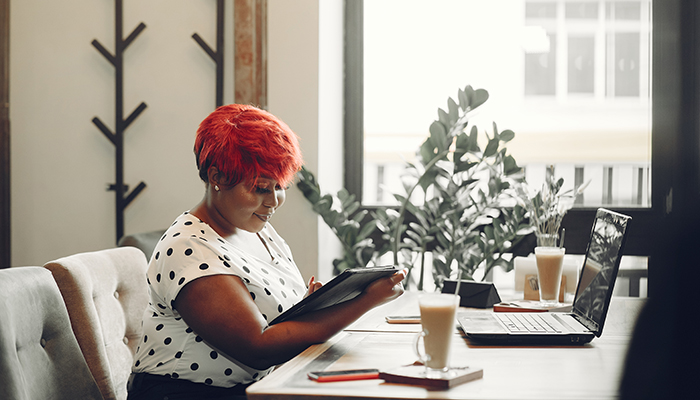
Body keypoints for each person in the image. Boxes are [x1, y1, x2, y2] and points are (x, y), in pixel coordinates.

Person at [127, 104, 407, 399]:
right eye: (261, 188)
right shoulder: (187, 248)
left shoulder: (256, 229)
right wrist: (366, 301)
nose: (273, 201)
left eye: (279, 186)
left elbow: (270, 322)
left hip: (263, 386)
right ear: (217, 177)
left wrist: (312, 305)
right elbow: (257, 348)